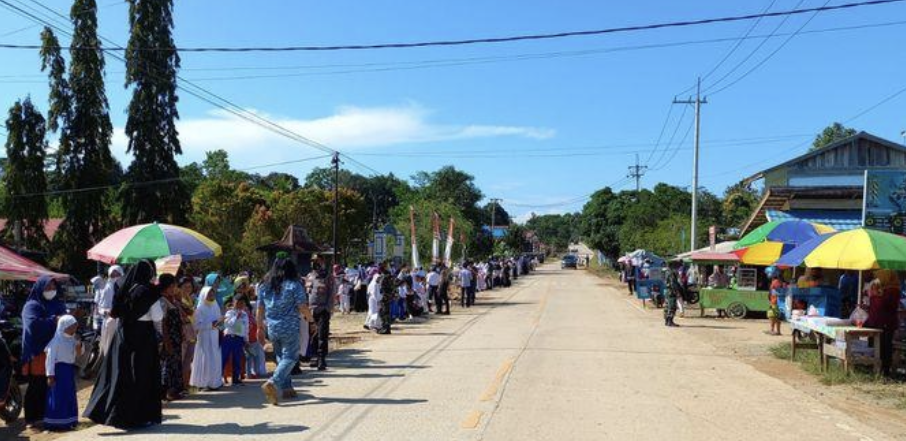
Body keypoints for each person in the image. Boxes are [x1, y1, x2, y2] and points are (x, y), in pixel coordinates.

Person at [84, 260, 163, 429]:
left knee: (121, 376)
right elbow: (157, 316)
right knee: (142, 376)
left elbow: (115, 313)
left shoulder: (125, 291)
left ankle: (117, 416)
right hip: (143, 339)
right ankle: (140, 416)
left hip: (123, 338)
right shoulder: (149, 292)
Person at [257, 258, 311, 404]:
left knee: (281, 357)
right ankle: (273, 382)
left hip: (272, 328)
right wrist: (311, 320)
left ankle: (287, 388)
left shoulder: (264, 286)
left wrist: (259, 327)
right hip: (290, 327)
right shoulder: (294, 285)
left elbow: (260, 309)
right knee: (291, 358)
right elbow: (302, 306)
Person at [20, 275, 66, 429]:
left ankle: (50, 415)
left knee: (52, 385)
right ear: (39, 288)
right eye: (47, 288)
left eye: (53, 288)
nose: (51, 291)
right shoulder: (31, 306)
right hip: (38, 352)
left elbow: (66, 322)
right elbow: (32, 327)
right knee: (37, 386)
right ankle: (32, 418)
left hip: (56, 350)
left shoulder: (57, 304)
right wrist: (54, 321)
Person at [44, 314, 80, 431]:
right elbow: (50, 359)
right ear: (64, 327)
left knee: (68, 395)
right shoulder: (56, 341)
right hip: (58, 372)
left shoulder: (72, 339)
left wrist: (79, 346)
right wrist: (50, 375)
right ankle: (56, 423)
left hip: (68, 371)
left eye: (75, 326)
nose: (74, 329)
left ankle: (70, 420)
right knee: (58, 396)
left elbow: (77, 354)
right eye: (72, 327)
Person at [190, 277, 224, 391]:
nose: (211, 295)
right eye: (209, 293)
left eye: (213, 293)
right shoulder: (199, 308)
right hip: (204, 338)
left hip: (214, 336)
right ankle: (203, 383)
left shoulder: (215, 305)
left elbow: (219, 319)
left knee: (215, 358)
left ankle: (215, 383)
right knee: (205, 359)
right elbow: (196, 326)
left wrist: (220, 324)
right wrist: (211, 324)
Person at [866, 269, 900, 376]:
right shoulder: (885, 289)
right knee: (879, 346)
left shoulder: (893, 290)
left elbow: (884, 305)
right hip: (881, 323)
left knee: (885, 347)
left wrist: (874, 296)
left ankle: (885, 371)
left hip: (886, 323)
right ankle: (877, 368)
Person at [159, 274, 186, 401]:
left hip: (176, 337)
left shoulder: (172, 300)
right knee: (168, 365)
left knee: (175, 363)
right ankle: (167, 391)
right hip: (169, 337)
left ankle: (175, 390)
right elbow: (163, 322)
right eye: (172, 286)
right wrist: (167, 341)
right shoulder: (162, 301)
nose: (174, 288)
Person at [222, 295, 249, 386]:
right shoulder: (229, 312)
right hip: (229, 337)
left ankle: (235, 379)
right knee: (224, 358)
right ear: (233, 303)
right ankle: (218, 378)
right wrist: (236, 316)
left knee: (237, 358)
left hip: (239, 338)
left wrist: (246, 339)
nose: (240, 305)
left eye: (242, 303)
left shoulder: (245, 314)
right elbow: (228, 324)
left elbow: (246, 328)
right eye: (237, 303)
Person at [96, 266, 123, 357]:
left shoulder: (124, 287)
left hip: (122, 321)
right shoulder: (107, 288)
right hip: (110, 321)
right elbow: (100, 307)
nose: (115, 276)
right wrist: (107, 312)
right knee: (108, 347)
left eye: (118, 274)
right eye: (113, 274)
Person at [309, 275, 332, 371]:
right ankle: (314, 357)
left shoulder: (328, 278)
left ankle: (321, 358)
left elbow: (332, 294)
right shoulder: (309, 277)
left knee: (322, 335)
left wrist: (328, 308)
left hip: (323, 309)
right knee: (312, 334)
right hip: (311, 310)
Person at [768, 272, 784, 336]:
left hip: (775, 302)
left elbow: (772, 291)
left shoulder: (775, 282)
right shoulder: (777, 282)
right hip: (776, 302)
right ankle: (776, 331)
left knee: (774, 317)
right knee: (775, 317)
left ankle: (774, 330)